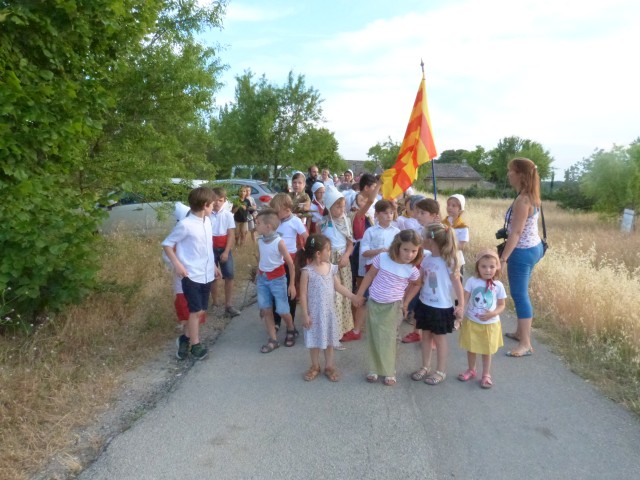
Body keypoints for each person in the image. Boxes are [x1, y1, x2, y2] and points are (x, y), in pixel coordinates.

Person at [355, 230, 423, 386]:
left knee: (390, 339)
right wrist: (359, 294)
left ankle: (389, 370)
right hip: (374, 303)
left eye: (414, 251)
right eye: (406, 249)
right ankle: (374, 368)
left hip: (393, 307)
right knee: (374, 336)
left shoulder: (411, 269)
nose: (410, 254)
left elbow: (417, 284)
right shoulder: (382, 258)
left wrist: (406, 303)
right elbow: (370, 276)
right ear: (397, 246)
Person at [162, 187, 218, 360]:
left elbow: (207, 247)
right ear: (205, 205)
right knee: (195, 311)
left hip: (207, 274)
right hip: (191, 275)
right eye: (213, 204)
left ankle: (185, 339)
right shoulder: (185, 224)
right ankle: (195, 344)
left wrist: (215, 266)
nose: (214, 207)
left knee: (201, 311)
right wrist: (177, 264)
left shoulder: (207, 222)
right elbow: (167, 244)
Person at [406, 223, 464, 385]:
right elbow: (419, 279)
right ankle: (425, 367)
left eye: (424, 237)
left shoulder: (449, 261)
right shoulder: (426, 258)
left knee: (439, 339)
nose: (422, 240)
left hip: (441, 307)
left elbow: (458, 284)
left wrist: (461, 305)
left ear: (432, 241)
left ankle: (440, 371)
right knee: (425, 336)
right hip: (425, 304)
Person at [299, 234, 361, 382]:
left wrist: (352, 296)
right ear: (318, 253)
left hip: (329, 313)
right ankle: (315, 366)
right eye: (328, 249)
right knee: (314, 341)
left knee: (329, 342)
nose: (330, 252)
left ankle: (329, 366)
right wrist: (305, 315)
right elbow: (302, 295)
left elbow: (338, 286)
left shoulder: (331, 268)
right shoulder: (307, 272)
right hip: (313, 314)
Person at [500, 157, 545, 358]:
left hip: (522, 252)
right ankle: (520, 332)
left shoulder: (522, 200)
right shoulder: (531, 196)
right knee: (522, 292)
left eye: (511, 171)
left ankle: (525, 343)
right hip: (534, 248)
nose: (509, 174)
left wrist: (503, 259)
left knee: (519, 295)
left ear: (520, 175)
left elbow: (516, 234)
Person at [342, 199, 399, 342]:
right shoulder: (370, 231)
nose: (389, 216)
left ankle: (388, 330)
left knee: (388, 301)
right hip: (372, 269)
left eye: (391, 213)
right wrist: (380, 251)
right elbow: (364, 252)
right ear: (377, 214)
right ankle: (356, 330)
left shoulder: (397, 232)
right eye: (385, 213)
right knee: (365, 299)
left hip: (390, 271)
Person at [458, 249, 506, 389]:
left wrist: (493, 313)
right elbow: (465, 299)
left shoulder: (498, 286)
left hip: (490, 324)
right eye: (483, 266)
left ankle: (486, 374)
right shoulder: (472, 281)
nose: (488, 270)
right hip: (472, 322)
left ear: (497, 267)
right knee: (471, 348)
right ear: (477, 267)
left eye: (492, 266)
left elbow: (502, 305)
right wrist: (460, 309)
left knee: (487, 350)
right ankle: (471, 369)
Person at [254, 209, 297, 353]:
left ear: (268, 226)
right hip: (263, 279)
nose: (256, 226)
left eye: (258, 223)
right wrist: (257, 274)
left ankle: (291, 328)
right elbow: (261, 259)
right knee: (267, 309)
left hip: (277, 280)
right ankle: (273, 339)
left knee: (283, 310)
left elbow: (290, 264)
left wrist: (291, 285)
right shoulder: (260, 241)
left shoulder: (279, 242)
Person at [401, 197, 441, 344]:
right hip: (419, 265)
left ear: (433, 215)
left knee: (432, 300)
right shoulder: (417, 229)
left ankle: (433, 336)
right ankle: (416, 331)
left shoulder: (439, 230)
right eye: (417, 212)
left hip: (433, 269)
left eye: (422, 213)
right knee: (418, 301)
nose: (418, 215)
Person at [320, 186, 355, 341]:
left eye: (342, 206)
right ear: (329, 207)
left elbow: (350, 243)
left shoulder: (346, 222)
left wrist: (346, 256)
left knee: (343, 294)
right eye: (337, 206)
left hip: (342, 262)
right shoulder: (322, 223)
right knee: (331, 296)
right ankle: (330, 328)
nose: (341, 209)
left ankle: (342, 329)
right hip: (328, 262)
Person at [270, 193, 309, 334]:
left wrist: (309, 253)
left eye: (277, 211)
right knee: (276, 291)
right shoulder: (276, 221)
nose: (275, 213)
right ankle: (276, 320)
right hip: (275, 260)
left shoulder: (296, 221)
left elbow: (306, 236)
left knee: (289, 292)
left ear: (287, 209)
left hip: (290, 261)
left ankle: (290, 322)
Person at [209, 187, 241, 317]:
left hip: (224, 247)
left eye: (220, 200)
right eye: (215, 200)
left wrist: (226, 252)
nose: (217, 203)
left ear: (224, 201)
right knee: (212, 276)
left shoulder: (228, 215)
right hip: (210, 248)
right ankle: (215, 302)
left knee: (229, 275)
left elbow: (231, 234)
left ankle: (228, 304)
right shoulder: (207, 214)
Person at [443, 194, 469, 275]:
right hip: (443, 258)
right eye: (448, 205)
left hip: (456, 259)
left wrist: (448, 246)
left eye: (453, 206)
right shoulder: (443, 223)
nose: (450, 207)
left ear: (460, 210)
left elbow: (461, 245)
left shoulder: (463, 227)